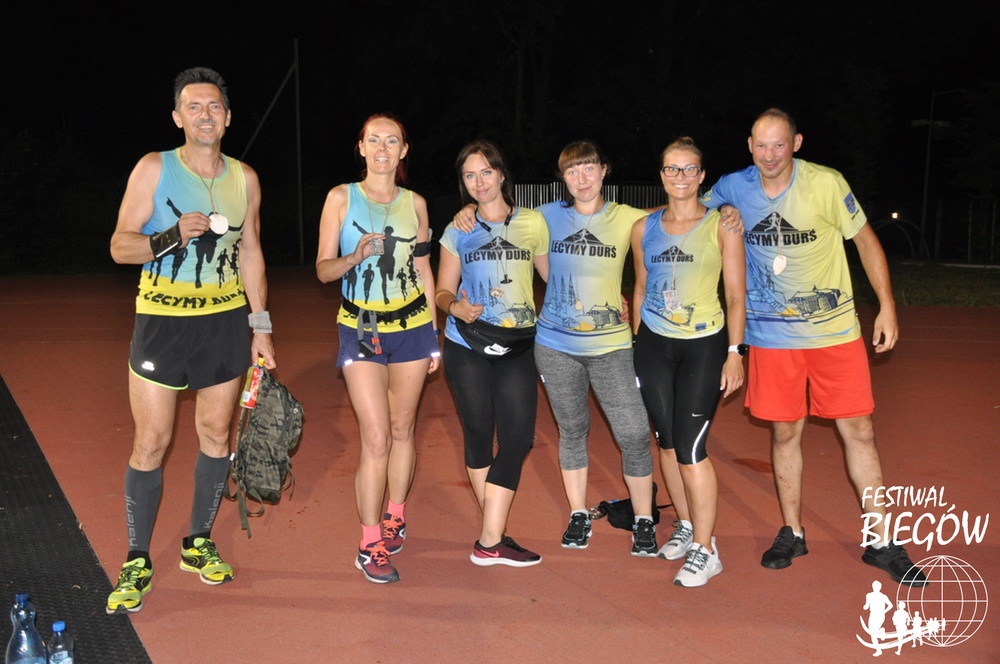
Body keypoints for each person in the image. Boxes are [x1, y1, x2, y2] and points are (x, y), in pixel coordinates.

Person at [701, 107, 927, 586]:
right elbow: (691, 211)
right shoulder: (733, 186)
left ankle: (882, 541)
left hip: (834, 334)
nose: (770, 154)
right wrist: (719, 212)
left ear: (797, 143)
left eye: (779, 144)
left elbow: (865, 241)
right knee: (785, 434)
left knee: (859, 432)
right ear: (749, 146)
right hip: (771, 337)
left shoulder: (826, 183)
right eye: (761, 145)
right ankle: (793, 531)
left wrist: (887, 305)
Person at [107, 67, 275, 613]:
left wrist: (261, 326)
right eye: (194, 107)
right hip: (162, 321)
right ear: (178, 117)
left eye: (214, 106)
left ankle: (197, 543)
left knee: (216, 434)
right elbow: (119, 246)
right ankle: (137, 557)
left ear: (228, 117)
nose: (206, 115)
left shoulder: (245, 178)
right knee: (152, 441)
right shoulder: (154, 168)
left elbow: (251, 251)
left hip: (223, 324)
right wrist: (169, 236)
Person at [316, 114, 439, 584]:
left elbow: (424, 270)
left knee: (404, 428)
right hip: (361, 327)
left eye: (392, 141)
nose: (383, 148)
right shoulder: (340, 198)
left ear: (404, 150)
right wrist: (354, 257)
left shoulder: (416, 204)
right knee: (377, 436)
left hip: (413, 327)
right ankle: (369, 543)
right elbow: (323, 270)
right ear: (362, 147)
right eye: (374, 140)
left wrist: (434, 335)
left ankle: (395, 514)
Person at [630, 137, 746, 587]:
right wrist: (638, 343)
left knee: (691, 448)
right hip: (654, 346)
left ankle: (706, 548)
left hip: (704, 344)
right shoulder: (643, 228)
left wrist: (735, 353)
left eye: (689, 169)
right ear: (661, 175)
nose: (680, 176)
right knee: (666, 442)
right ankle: (685, 524)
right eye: (671, 169)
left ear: (701, 176)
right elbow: (641, 287)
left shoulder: (723, 225)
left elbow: (735, 295)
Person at [436, 140, 549, 567]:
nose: (479, 182)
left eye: (486, 172)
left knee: (518, 438)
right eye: (470, 175)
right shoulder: (458, 229)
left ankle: (489, 537)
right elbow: (442, 291)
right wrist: (455, 307)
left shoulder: (533, 223)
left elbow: (554, 279)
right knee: (479, 433)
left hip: (518, 344)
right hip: (467, 342)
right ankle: (493, 537)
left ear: (501, 174)